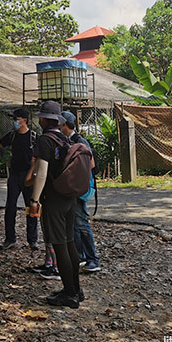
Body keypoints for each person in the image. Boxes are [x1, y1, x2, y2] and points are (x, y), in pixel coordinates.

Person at [28, 101, 83, 309]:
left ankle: (70, 294)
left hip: (54, 200)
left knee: (60, 246)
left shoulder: (44, 140)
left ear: (43, 119)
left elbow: (41, 173)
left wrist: (34, 199)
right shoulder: (64, 138)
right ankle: (76, 289)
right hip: (69, 198)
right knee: (69, 243)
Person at [0, 108, 39, 251]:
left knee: (31, 208)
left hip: (29, 177)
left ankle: (33, 240)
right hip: (14, 176)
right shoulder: (12, 136)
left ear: (24, 120)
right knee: (10, 208)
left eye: (16, 119)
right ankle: (10, 239)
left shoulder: (34, 137)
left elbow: (39, 159)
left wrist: (34, 175)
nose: (14, 122)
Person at [60, 111, 101, 273]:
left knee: (81, 223)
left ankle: (93, 259)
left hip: (79, 188)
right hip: (74, 187)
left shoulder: (79, 141)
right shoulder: (69, 140)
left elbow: (90, 164)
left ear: (65, 125)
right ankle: (81, 257)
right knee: (74, 224)